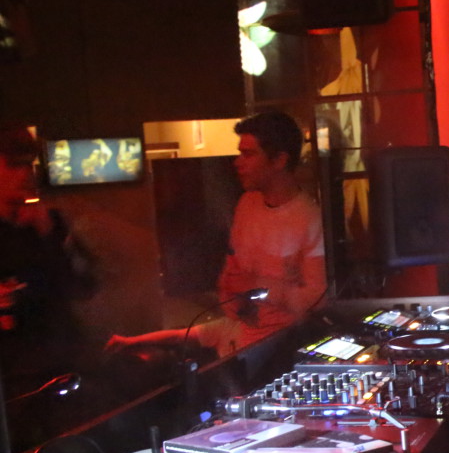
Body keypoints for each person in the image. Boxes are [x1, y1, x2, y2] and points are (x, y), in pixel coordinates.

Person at [106, 111, 327, 360]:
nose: (237, 162)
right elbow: (232, 272)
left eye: (248, 154)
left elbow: (317, 299)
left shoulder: (309, 218)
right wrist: (234, 297)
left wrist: (259, 286)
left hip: (280, 347)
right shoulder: (247, 204)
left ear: (279, 160)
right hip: (241, 328)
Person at [0, 123, 96, 449]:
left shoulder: (49, 221)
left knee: (74, 449)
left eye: (29, 164)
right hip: (13, 376)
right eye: (15, 165)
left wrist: (49, 234)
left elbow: (85, 285)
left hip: (63, 359)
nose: (25, 174)